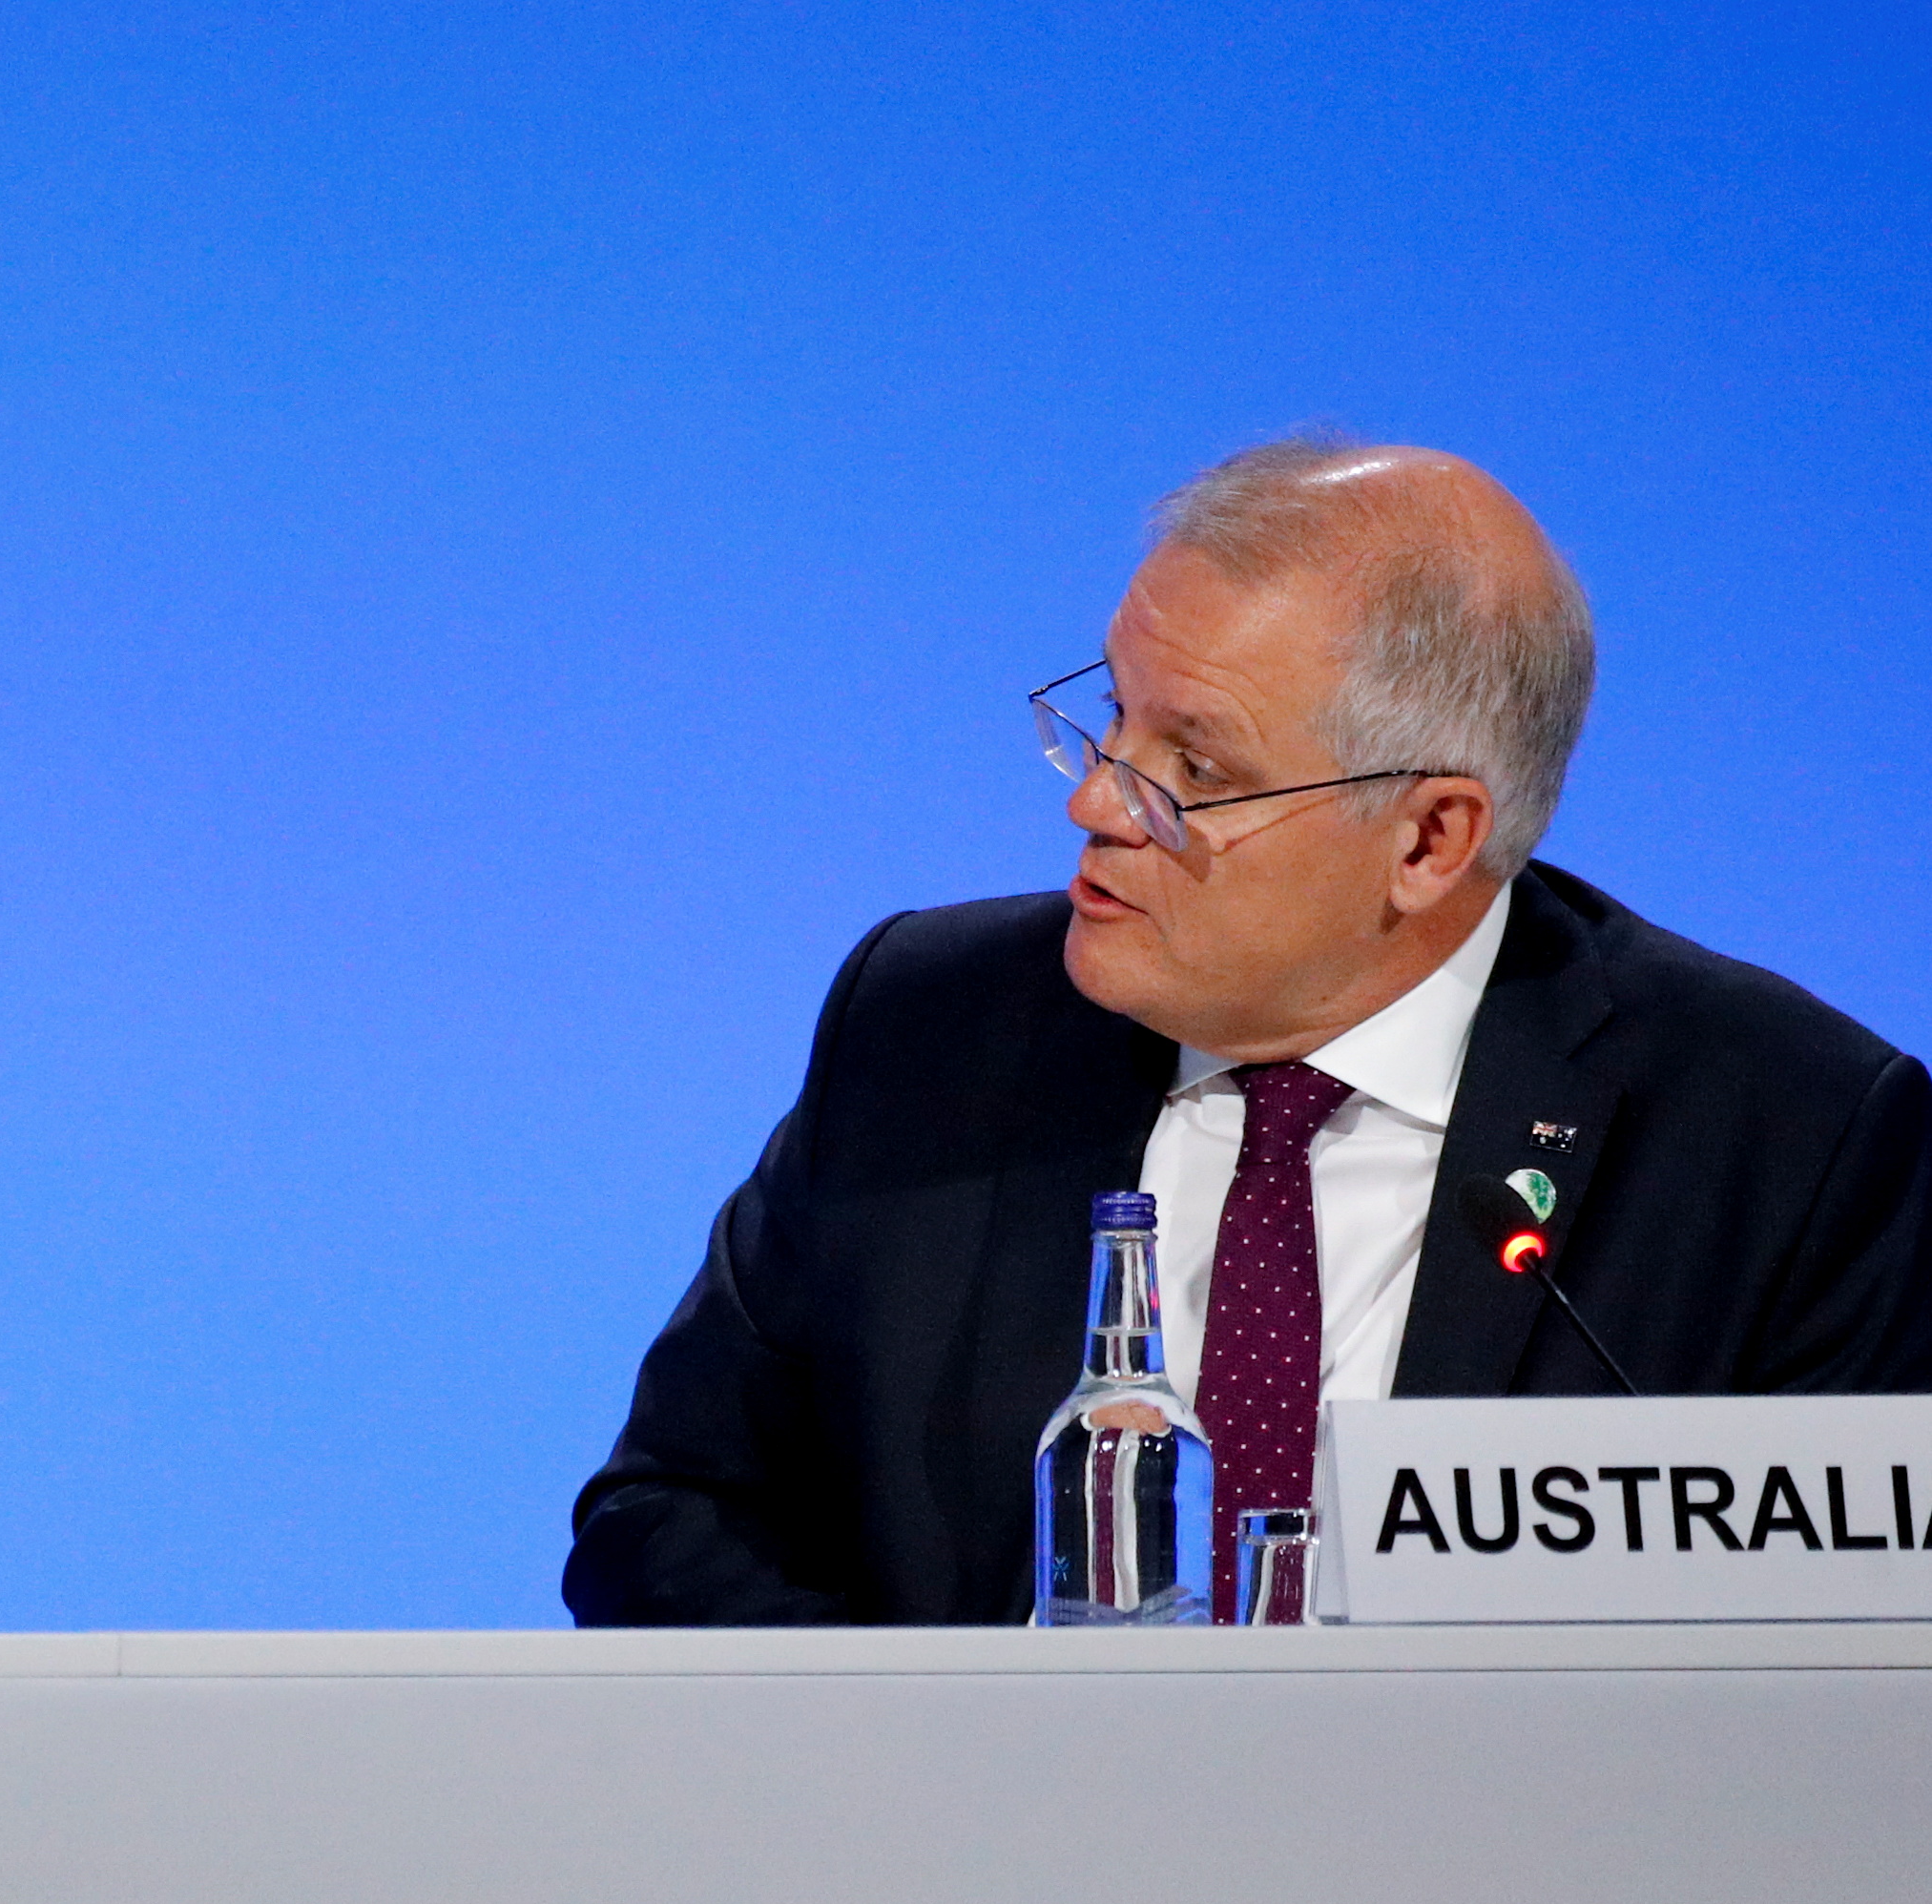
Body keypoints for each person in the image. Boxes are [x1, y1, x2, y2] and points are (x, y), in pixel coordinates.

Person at [567, 436, 1932, 1628]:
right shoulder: (929, 1028)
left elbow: (1840, 1667)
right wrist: (947, 1778)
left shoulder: (1786, 1142)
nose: (1100, 804)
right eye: (1114, 721)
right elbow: (671, 1519)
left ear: (1427, 839)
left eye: (1198, 770)